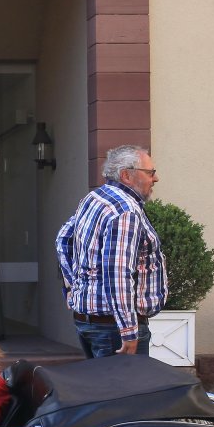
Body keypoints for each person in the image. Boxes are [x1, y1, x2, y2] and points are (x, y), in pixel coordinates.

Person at [55, 145, 168, 358]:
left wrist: (72, 289)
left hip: (91, 323)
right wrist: (128, 331)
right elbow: (117, 274)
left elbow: (63, 239)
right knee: (126, 382)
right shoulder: (125, 211)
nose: (156, 178)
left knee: (101, 381)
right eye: (150, 172)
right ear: (126, 175)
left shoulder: (95, 198)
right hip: (114, 329)